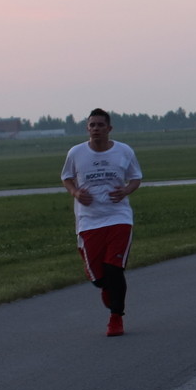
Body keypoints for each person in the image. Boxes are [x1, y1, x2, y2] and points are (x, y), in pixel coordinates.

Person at [61, 108, 143, 337]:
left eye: (100, 125)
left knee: (114, 268)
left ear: (109, 128)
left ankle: (116, 318)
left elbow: (136, 178)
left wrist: (126, 190)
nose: (96, 129)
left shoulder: (123, 151)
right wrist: (76, 193)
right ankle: (107, 289)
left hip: (119, 217)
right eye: (92, 125)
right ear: (87, 129)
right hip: (89, 221)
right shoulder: (76, 153)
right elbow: (66, 178)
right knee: (99, 278)